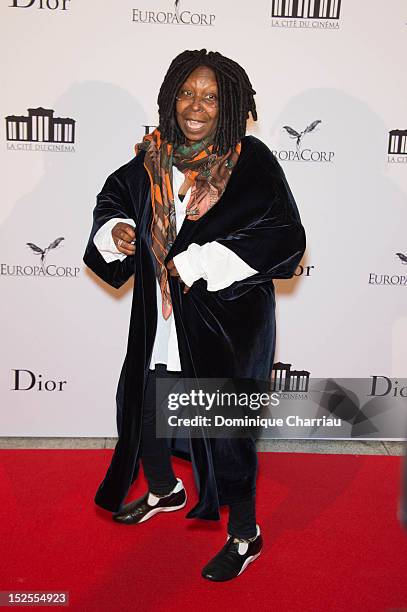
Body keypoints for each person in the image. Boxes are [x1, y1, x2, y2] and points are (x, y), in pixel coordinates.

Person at [83, 49, 306, 581]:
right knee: (145, 411)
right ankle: (165, 490)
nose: (197, 106)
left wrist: (204, 262)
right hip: (162, 320)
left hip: (227, 324)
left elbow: (286, 238)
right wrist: (113, 231)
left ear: (230, 104)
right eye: (188, 92)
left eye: (211, 96)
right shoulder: (153, 158)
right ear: (169, 97)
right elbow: (111, 199)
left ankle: (245, 535)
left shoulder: (251, 162)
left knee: (228, 433)